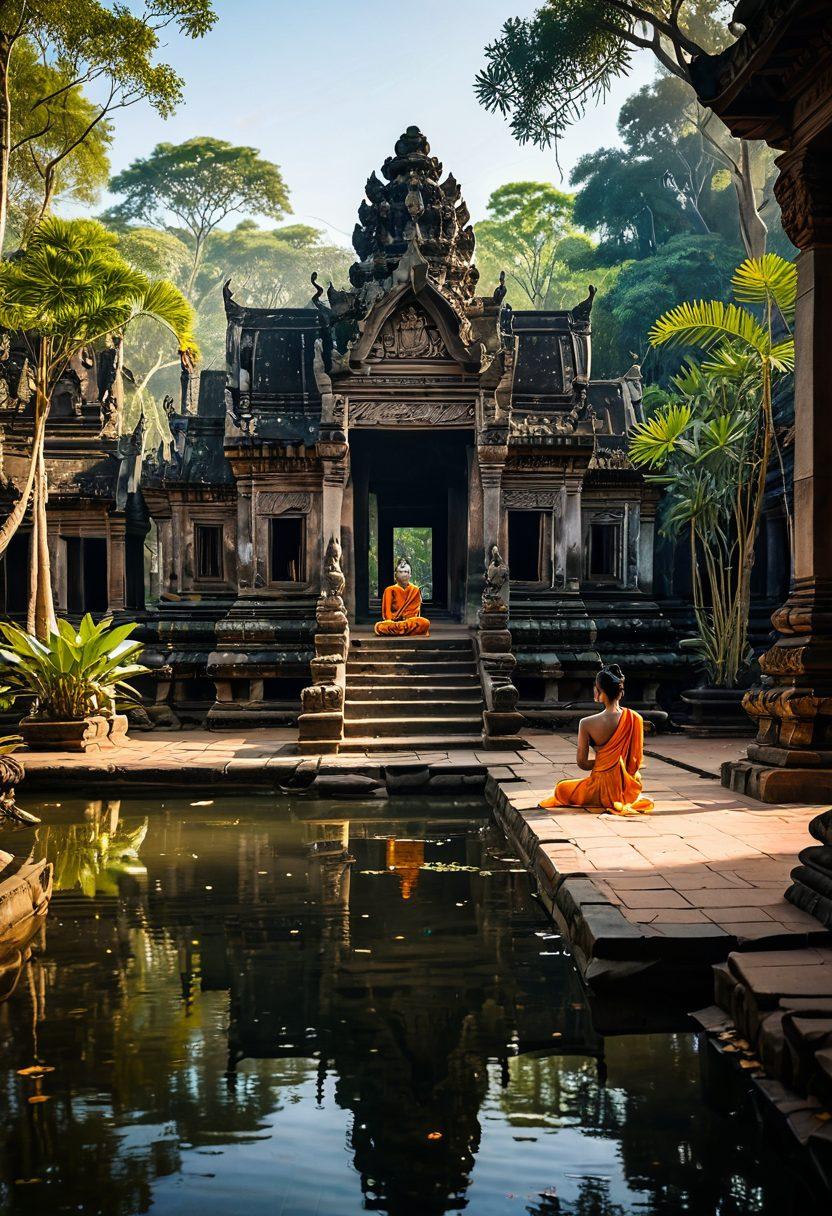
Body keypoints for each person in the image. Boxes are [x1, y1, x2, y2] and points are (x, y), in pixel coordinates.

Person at [539, 664, 653, 816]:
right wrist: (615, 764)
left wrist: (604, 763)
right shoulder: (635, 718)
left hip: (598, 787)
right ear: (621, 692)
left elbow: (583, 763)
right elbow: (635, 763)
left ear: (599, 691)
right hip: (626, 789)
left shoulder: (586, 723)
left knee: (561, 788)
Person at [374, 558, 430, 637]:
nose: (403, 574)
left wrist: (408, 621)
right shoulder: (389, 590)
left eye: (406, 572)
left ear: (410, 575)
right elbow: (387, 614)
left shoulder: (415, 590)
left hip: (410, 622)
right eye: (400, 572)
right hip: (394, 622)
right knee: (380, 626)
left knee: (425, 622)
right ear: (395, 575)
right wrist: (392, 621)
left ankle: (398, 631)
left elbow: (416, 613)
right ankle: (406, 631)